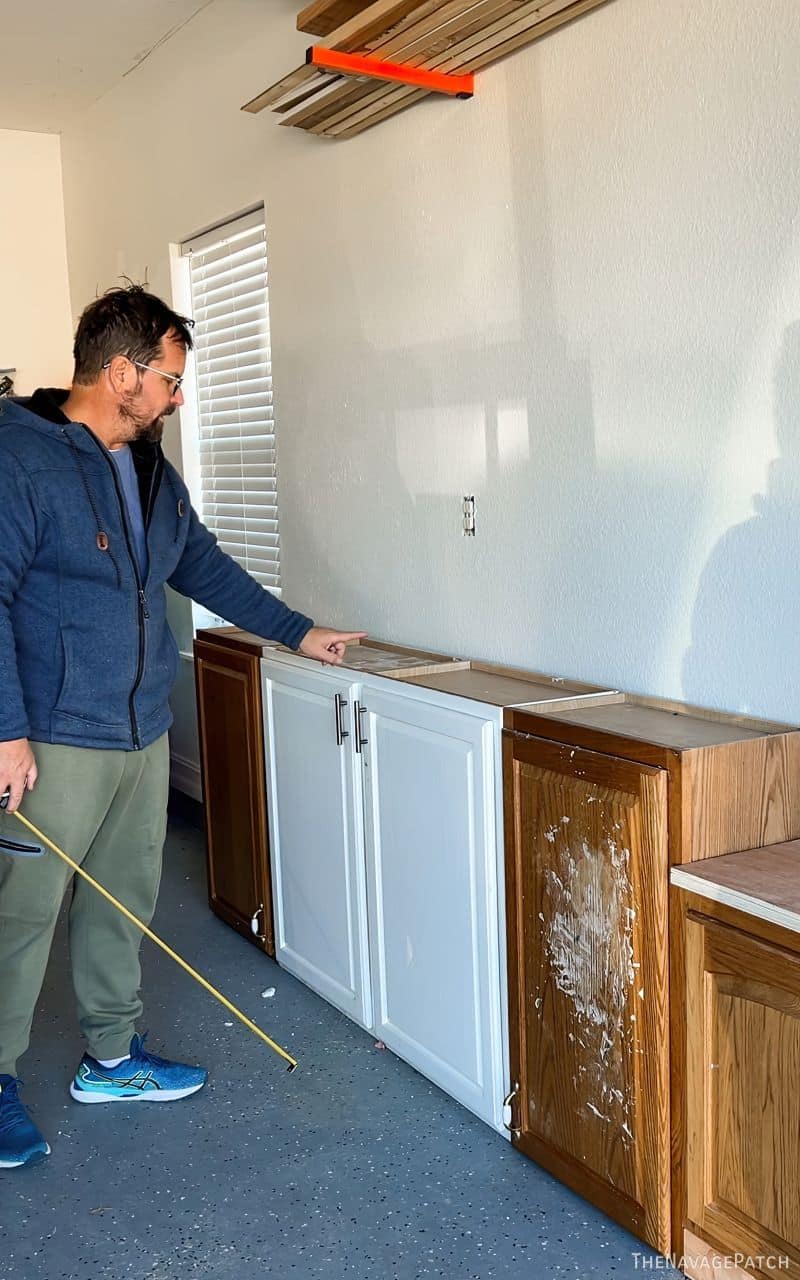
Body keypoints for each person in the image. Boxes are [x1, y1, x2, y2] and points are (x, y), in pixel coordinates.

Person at [0, 286, 365, 1169]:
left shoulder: (152, 467)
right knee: (21, 914)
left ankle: (112, 1059)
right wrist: (5, 732)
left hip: (139, 731)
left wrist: (298, 631)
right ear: (120, 372)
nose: (179, 394)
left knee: (123, 904)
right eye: (168, 377)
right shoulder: (18, 458)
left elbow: (200, 563)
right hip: (51, 736)